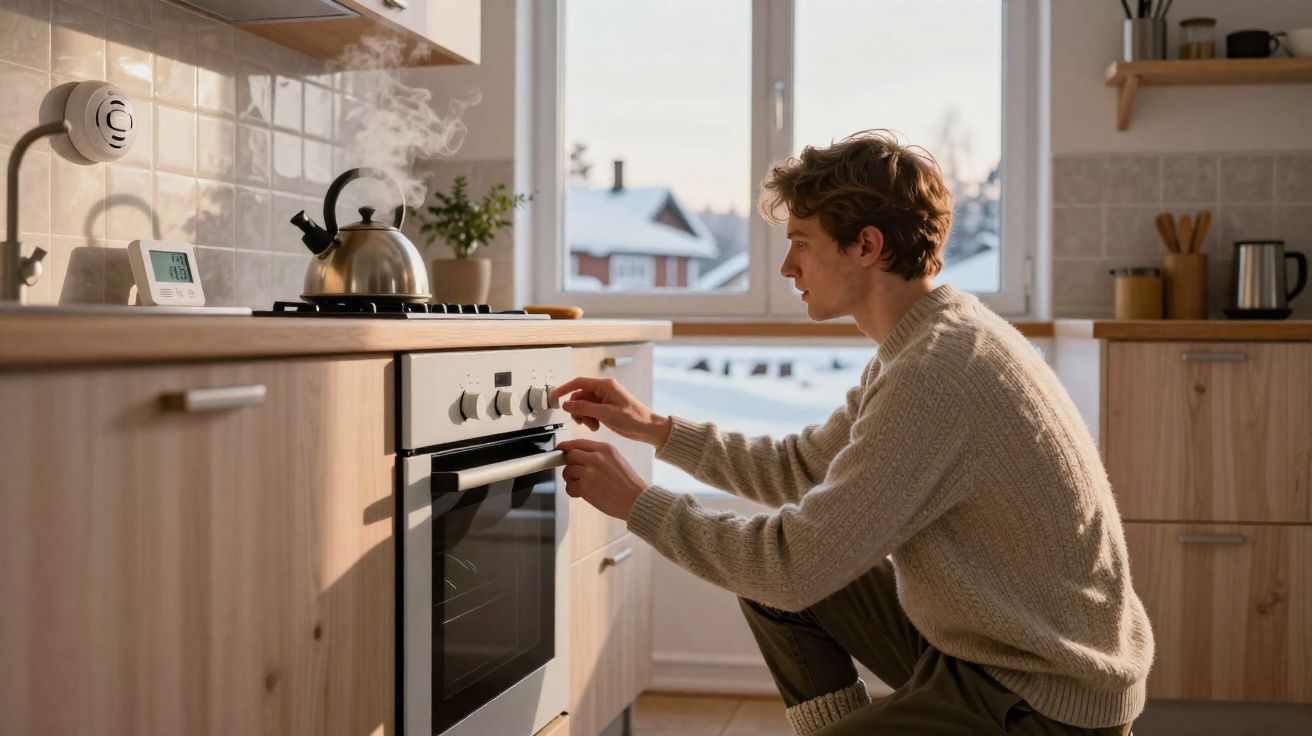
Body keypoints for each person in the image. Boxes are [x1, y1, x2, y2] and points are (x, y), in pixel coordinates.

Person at [552, 130, 1153, 735]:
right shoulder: (928, 338)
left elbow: (791, 565)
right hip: (994, 647)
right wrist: (655, 429)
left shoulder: (936, 373)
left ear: (866, 245)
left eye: (801, 244)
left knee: (779, 575)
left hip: (1044, 700)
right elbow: (799, 469)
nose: (788, 267)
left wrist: (635, 503)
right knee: (773, 588)